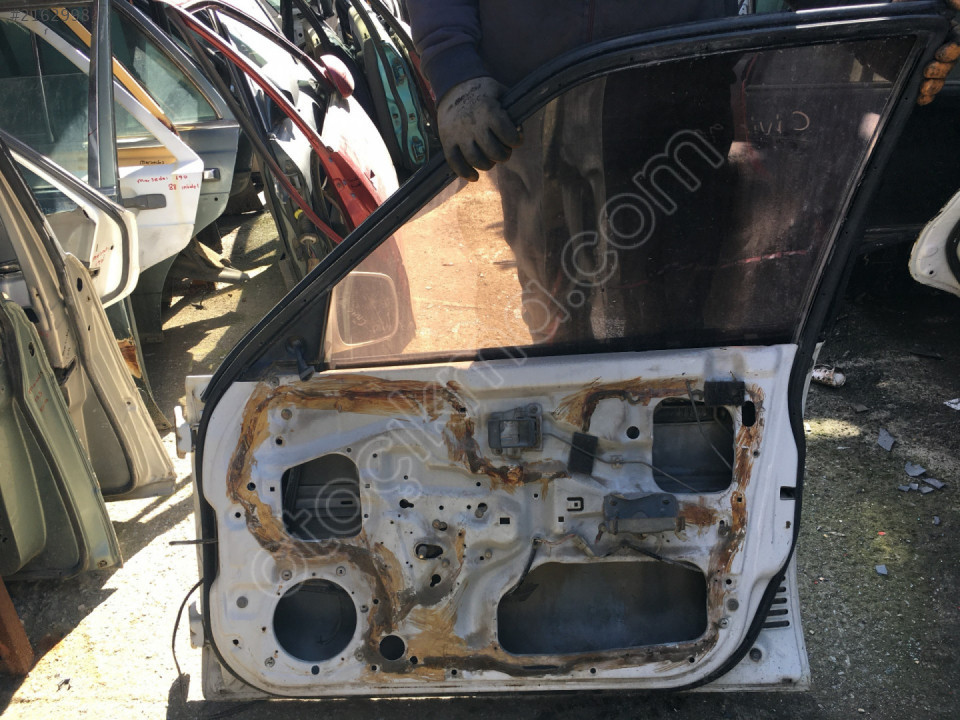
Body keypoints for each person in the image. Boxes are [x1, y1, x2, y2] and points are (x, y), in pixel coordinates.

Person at [407, 1, 740, 343]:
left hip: (678, 98)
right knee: (554, 298)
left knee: (679, 298)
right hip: (533, 108)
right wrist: (454, 67)